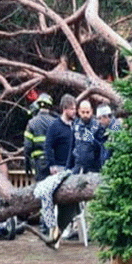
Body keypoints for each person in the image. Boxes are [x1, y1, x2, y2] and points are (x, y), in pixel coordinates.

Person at [32, 94, 77, 247]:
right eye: (72, 109)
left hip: (72, 169)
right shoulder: (55, 126)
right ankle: (51, 227)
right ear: (65, 109)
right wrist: (52, 165)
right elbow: (48, 145)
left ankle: (65, 226)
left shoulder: (76, 126)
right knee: (49, 194)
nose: (75, 112)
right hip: (58, 167)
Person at [23, 92, 55, 180]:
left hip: (39, 163)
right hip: (54, 163)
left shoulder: (32, 123)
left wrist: (27, 164)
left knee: (40, 188)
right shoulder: (55, 123)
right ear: (49, 106)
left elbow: (27, 146)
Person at [72, 99, 105, 174]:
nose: (85, 115)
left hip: (93, 166)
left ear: (91, 111)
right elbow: (72, 144)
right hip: (78, 163)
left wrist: (93, 141)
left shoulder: (97, 125)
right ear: (79, 111)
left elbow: (102, 147)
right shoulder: (75, 125)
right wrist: (68, 166)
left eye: (87, 112)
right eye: (83, 112)